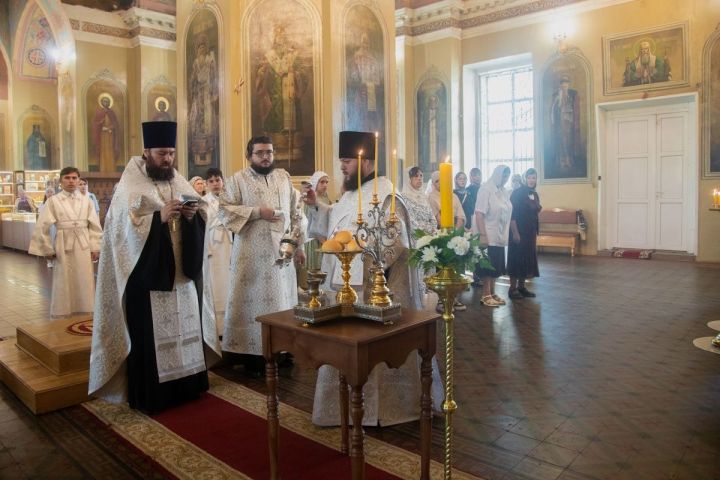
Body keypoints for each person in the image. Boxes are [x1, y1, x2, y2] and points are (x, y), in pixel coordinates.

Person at [304, 131, 434, 426]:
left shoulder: (386, 194)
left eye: (347, 161)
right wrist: (316, 206)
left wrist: (358, 253)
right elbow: (334, 225)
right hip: (344, 292)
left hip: (374, 293)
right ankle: (342, 407)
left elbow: (393, 243)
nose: (342, 167)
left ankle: (382, 411)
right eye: (341, 161)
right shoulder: (350, 194)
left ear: (367, 161)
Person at [89, 121, 220, 414]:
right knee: (153, 338)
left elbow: (202, 212)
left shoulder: (178, 179)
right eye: (162, 153)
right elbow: (122, 230)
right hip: (148, 278)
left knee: (185, 329)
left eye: (172, 153)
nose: (168, 159)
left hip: (180, 276)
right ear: (146, 151)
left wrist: (190, 216)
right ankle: (155, 396)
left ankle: (188, 386)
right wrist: (157, 218)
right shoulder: (130, 184)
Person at [216, 136, 305, 377]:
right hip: (251, 258)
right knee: (252, 303)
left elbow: (296, 212)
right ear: (249, 156)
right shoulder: (237, 181)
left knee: (282, 301)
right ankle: (252, 355)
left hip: (281, 256)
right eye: (260, 153)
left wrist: (299, 245)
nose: (266, 157)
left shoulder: (284, 178)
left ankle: (283, 351)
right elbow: (223, 210)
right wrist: (257, 212)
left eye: (269, 152)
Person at [28, 166, 102, 318]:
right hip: (63, 244)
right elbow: (42, 226)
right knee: (64, 280)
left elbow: (95, 225)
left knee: (84, 279)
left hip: (83, 244)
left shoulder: (86, 201)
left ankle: (86, 312)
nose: (71, 181)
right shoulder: (53, 201)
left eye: (74, 178)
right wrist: (47, 249)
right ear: (60, 181)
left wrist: (95, 247)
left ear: (79, 180)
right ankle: (62, 314)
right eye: (67, 178)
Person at [474, 165, 512, 307]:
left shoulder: (503, 191)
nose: (505, 178)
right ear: (497, 174)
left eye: (507, 175)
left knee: (496, 264)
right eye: (503, 175)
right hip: (488, 233)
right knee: (487, 266)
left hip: (499, 234)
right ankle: (485, 294)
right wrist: (483, 234)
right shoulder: (485, 189)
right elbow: (479, 213)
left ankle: (493, 292)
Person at [201, 167, 232, 336]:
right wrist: (206, 250)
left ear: (223, 181)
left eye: (217, 180)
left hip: (229, 244)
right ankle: (217, 329)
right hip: (213, 247)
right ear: (206, 184)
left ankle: (229, 326)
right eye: (211, 181)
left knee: (229, 284)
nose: (215, 184)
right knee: (216, 285)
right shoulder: (204, 202)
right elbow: (202, 229)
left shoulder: (229, 200)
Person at [508, 168, 541, 300]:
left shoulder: (534, 194)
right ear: (524, 178)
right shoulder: (517, 193)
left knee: (526, 258)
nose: (532, 180)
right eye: (529, 177)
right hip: (518, 230)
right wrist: (515, 232)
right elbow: (512, 214)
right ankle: (512, 288)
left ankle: (521, 287)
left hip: (530, 232)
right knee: (516, 258)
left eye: (534, 177)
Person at [188, 35, 218, 166]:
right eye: (199, 47)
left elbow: (214, 76)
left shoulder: (210, 60)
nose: (201, 49)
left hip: (206, 93)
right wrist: (192, 88)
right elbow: (193, 78)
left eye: (203, 47)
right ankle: (198, 149)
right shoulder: (195, 62)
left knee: (208, 120)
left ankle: (208, 148)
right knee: (196, 120)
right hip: (198, 93)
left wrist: (214, 93)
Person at [549, 75, 581, 172]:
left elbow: (575, 109)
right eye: (562, 83)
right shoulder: (556, 95)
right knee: (560, 141)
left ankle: (569, 160)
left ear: (568, 84)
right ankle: (561, 161)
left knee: (568, 141)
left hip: (569, 122)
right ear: (560, 85)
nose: (564, 85)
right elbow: (552, 110)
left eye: (566, 83)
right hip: (559, 123)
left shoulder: (572, 94)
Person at [303, 170, 332, 272]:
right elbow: (310, 223)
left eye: (326, 182)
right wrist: (324, 242)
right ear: (316, 183)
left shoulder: (326, 199)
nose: (325, 185)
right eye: (322, 182)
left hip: (324, 238)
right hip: (314, 239)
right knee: (314, 273)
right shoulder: (310, 199)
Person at [92, 94, 121, 172]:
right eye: (104, 101)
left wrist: (111, 128)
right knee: (103, 151)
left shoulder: (111, 112)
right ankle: (103, 169)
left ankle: (111, 168)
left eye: (107, 101)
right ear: (101, 102)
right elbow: (95, 124)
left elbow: (116, 124)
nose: (106, 103)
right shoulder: (99, 112)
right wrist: (101, 126)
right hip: (102, 135)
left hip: (110, 135)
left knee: (110, 150)